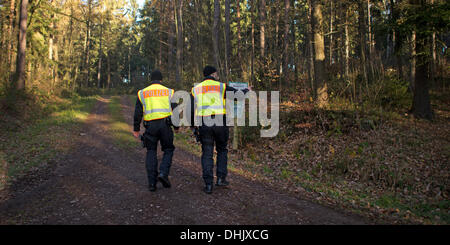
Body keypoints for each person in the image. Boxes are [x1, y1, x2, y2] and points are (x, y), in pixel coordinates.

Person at [191, 66, 250, 194]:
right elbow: (237, 96)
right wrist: (247, 90)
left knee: (207, 153)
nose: (217, 76)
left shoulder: (196, 89)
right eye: (216, 74)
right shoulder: (220, 86)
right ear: (213, 74)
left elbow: (191, 109)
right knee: (222, 150)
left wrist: (193, 126)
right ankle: (221, 179)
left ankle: (208, 184)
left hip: (204, 122)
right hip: (220, 122)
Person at [133, 70, 178, 192]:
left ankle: (152, 184)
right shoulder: (169, 92)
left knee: (151, 151)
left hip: (150, 126)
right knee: (168, 149)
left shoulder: (142, 93)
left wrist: (136, 129)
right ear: (161, 80)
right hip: (165, 125)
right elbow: (175, 111)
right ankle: (163, 173)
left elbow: (137, 113)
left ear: (151, 80)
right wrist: (177, 127)